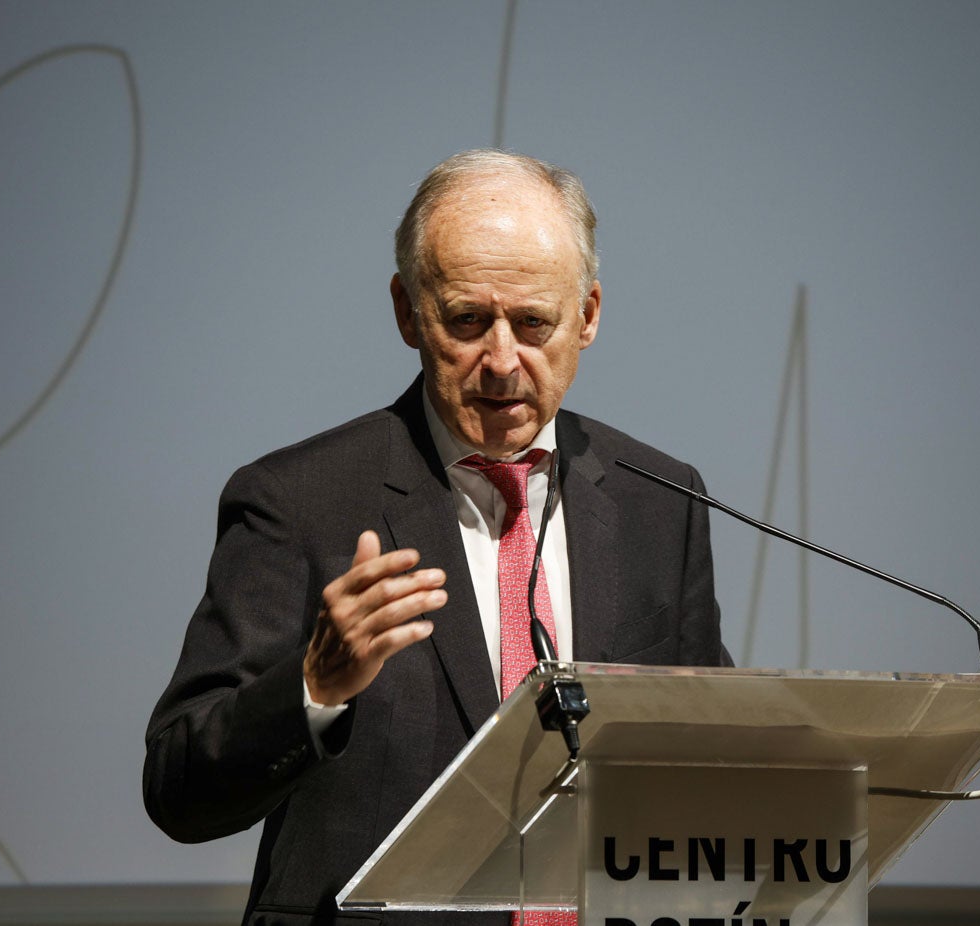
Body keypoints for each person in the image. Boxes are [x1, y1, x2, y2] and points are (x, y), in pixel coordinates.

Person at [143, 149, 728, 926]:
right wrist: (313, 686)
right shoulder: (297, 502)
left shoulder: (659, 499)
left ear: (586, 315)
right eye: (465, 321)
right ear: (406, 312)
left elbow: (711, 755)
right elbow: (178, 791)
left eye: (531, 323)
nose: (500, 360)